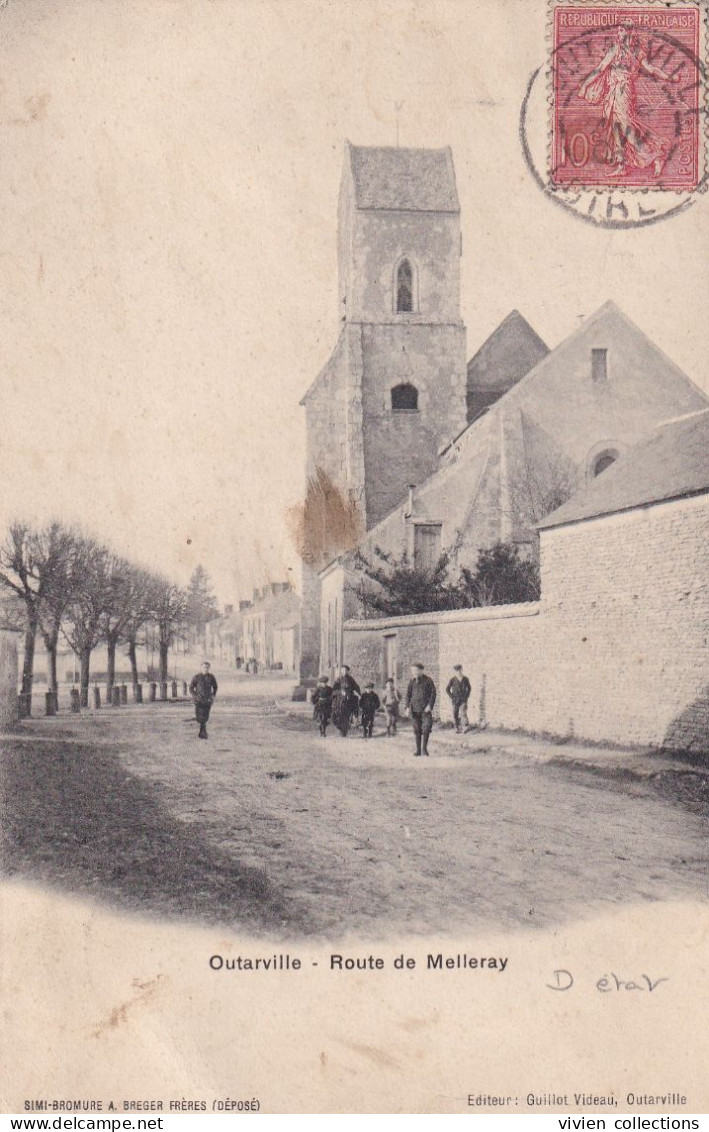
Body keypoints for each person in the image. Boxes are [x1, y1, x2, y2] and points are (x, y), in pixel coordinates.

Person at [578, 19, 681, 178]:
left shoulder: (638, 52)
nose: (619, 33)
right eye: (618, 31)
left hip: (625, 91)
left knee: (626, 127)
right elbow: (600, 69)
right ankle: (622, 165)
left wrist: (670, 78)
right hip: (612, 92)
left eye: (621, 30)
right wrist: (585, 85)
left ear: (630, 32)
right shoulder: (615, 50)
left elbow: (651, 69)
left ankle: (655, 156)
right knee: (615, 128)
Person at [405, 662, 437, 757]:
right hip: (415, 710)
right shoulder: (412, 682)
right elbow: (408, 695)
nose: (414, 673)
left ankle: (424, 749)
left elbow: (433, 694)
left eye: (415, 670)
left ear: (421, 670)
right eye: (412, 671)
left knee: (426, 728)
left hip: (425, 710)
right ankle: (418, 750)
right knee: (417, 729)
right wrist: (407, 707)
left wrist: (430, 706)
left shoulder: (428, 680)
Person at [189, 661, 218, 740]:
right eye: (204, 667)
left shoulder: (211, 677)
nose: (206, 669)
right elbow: (191, 688)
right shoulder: (196, 677)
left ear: (209, 668)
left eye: (207, 667)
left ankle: (203, 730)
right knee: (199, 715)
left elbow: (215, 687)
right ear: (201, 668)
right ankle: (202, 730)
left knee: (206, 715)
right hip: (199, 700)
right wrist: (195, 696)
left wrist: (213, 695)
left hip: (208, 699)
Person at [331, 665, 361, 737]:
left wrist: (359, 694)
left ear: (348, 671)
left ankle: (345, 730)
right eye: (343, 670)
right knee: (338, 714)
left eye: (346, 670)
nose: (344, 672)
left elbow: (356, 687)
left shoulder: (351, 679)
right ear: (341, 671)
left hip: (349, 699)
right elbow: (334, 690)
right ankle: (340, 728)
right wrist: (340, 692)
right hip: (340, 700)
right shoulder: (338, 679)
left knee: (347, 715)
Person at [446, 664, 472, 733]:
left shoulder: (465, 679)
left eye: (460, 670)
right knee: (455, 714)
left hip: (463, 700)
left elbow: (469, 688)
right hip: (455, 700)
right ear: (455, 672)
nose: (458, 672)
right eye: (457, 671)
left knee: (463, 713)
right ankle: (456, 728)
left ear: (462, 670)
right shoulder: (452, 680)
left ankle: (465, 727)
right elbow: (447, 689)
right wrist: (452, 697)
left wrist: (466, 696)